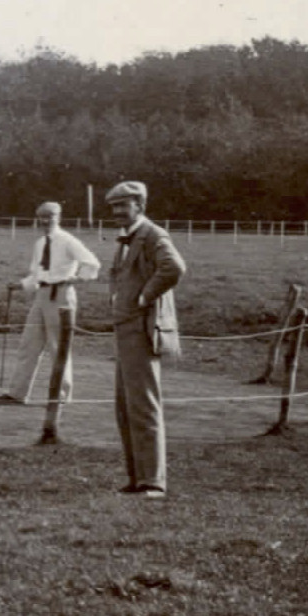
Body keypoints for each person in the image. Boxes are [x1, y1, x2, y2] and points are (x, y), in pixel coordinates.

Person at [104, 181, 186, 497]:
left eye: (123, 205)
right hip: (125, 331)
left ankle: (153, 482)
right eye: (113, 207)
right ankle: (137, 479)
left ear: (140, 204)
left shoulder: (153, 235)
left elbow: (175, 268)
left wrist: (144, 297)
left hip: (142, 330)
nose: (116, 212)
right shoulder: (128, 238)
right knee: (125, 408)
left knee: (144, 406)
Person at [0, 201, 99, 405]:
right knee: (28, 345)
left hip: (61, 296)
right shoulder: (40, 243)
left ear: (58, 217)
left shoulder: (68, 241)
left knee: (58, 347)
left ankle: (60, 397)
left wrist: (76, 278)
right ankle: (17, 393)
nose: (45, 220)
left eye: (50, 216)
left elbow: (92, 263)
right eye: (42, 217)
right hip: (41, 296)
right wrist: (20, 285)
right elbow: (36, 274)